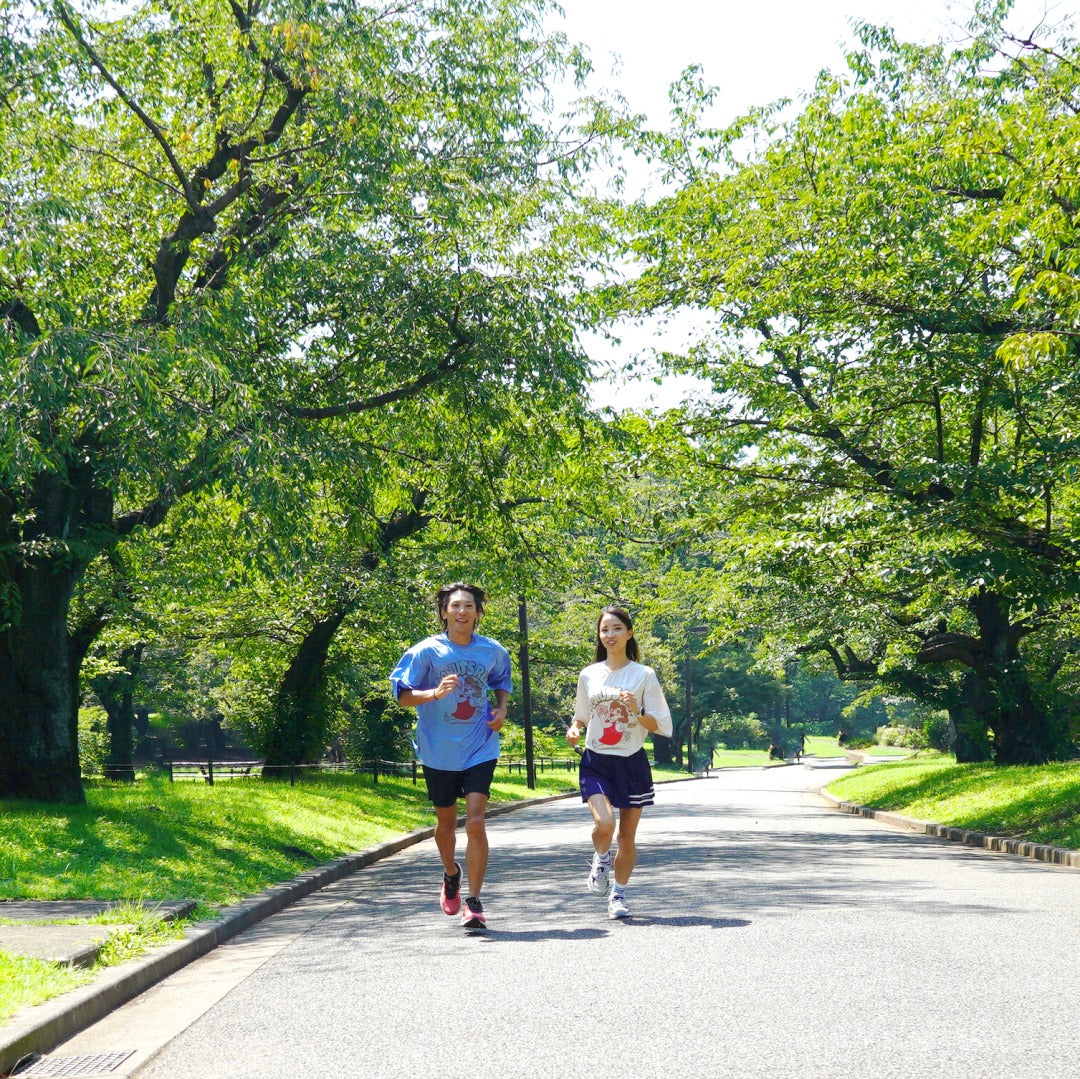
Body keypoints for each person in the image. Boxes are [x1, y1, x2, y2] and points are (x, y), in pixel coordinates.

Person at [390, 582, 512, 931]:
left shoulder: (493, 651)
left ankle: (474, 902)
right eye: (455, 606)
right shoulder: (425, 652)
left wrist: (501, 709)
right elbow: (402, 696)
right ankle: (450, 872)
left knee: (475, 821)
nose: (462, 611)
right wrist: (434, 692)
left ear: (478, 612)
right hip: (438, 749)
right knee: (445, 825)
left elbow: (502, 682)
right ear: (444, 612)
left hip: (480, 745)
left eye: (469, 606)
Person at [566, 605, 672, 919]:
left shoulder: (644, 675)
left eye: (616, 629)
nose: (609, 635)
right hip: (596, 760)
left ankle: (618, 895)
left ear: (629, 633)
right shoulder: (589, 674)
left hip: (631, 761)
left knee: (626, 837)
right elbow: (581, 715)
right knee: (605, 824)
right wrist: (575, 728)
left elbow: (659, 725)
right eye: (604, 630)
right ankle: (601, 859)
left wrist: (635, 711)